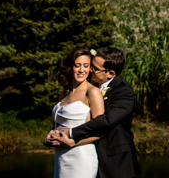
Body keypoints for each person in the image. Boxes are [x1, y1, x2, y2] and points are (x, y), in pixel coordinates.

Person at [49, 46, 139, 178]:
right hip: (88, 153)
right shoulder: (86, 88)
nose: (89, 70)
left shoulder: (123, 91)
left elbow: (106, 120)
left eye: (94, 68)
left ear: (111, 74)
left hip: (115, 161)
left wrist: (72, 133)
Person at [47, 47, 105, 178]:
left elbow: (101, 130)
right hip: (60, 156)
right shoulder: (64, 93)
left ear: (90, 69)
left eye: (85, 66)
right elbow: (58, 126)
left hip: (81, 157)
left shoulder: (92, 92)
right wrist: (50, 137)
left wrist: (73, 142)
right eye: (77, 65)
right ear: (70, 67)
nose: (81, 70)